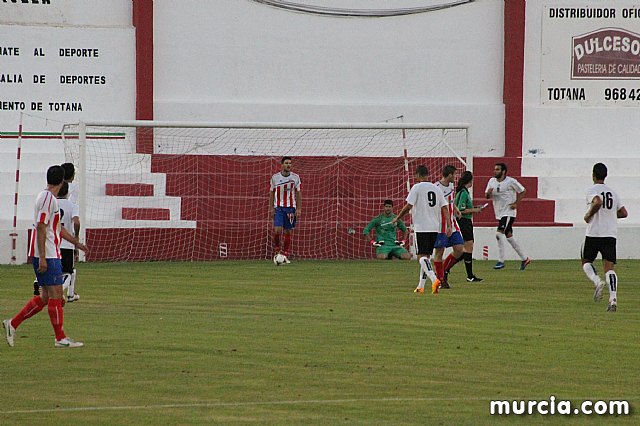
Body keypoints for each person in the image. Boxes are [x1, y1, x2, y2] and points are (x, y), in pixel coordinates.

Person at [4, 165, 88, 348]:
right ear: (62, 181)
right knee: (56, 294)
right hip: (48, 254)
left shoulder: (47, 197)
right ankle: (60, 338)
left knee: (44, 297)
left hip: (49, 253)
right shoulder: (48, 199)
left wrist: (76, 243)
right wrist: (42, 256)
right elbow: (41, 227)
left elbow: (54, 227)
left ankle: (13, 324)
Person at [392, 165, 451, 294]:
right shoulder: (436, 189)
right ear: (427, 174)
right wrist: (449, 225)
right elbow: (445, 208)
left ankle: (434, 279)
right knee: (426, 257)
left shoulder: (417, 187)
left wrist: (398, 217)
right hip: (434, 227)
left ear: (418, 175)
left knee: (421, 258)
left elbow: (409, 205)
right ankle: (420, 286)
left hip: (421, 227)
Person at [582, 163, 627, 312]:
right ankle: (613, 299)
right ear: (605, 175)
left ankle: (597, 281)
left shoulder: (592, 190)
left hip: (594, 232)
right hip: (610, 233)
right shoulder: (613, 193)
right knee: (609, 267)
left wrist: (589, 215)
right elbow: (623, 213)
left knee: (586, 260)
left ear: (593, 175)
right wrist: (610, 215)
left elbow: (598, 202)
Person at [484, 162, 531, 270]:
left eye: (497, 169)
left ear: (503, 171)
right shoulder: (491, 181)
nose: (495, 171)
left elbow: (523, 190)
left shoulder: (510, 181)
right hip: (499, 213)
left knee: (498, 234)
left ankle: (501, 261)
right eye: (494, 169)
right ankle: (525, 259)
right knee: (509, 237)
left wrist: (516, 203)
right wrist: (489, 193)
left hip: (508, 212)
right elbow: (486, 196)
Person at [434, 165, 465, 288]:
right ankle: (440, 279)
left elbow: (450, 202)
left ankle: (444, 271)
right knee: (439, 251)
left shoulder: (451, 186)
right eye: (455, 174)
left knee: (459, 249)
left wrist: (456, 209)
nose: (455, 177)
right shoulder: (436, 187)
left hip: (452, 224)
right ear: (450, 175)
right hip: (440, 225)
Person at [269, 156, 301, 263]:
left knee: (288, 231)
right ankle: (277, 251)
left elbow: (298, 193)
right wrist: (271, 208)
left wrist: (299, 208)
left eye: (290, 163)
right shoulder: (275, 177)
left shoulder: (295, 177)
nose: (288, 165)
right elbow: (272, 192)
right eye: (286, 163)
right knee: (277, 229)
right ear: (282, 165)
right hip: (278, 208)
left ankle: (285, 255)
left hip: (291, 208)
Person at [454, 171, 485, 282]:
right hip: (464, 221)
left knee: (468, 247)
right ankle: (468, 275)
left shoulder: (463, 191)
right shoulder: (463, 193)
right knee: (468, 247)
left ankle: (469, 275)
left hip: (466, 221)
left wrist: (475, 207)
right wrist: (475, 210)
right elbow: (461, 210)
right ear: (470, 180)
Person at [57, 181, 81, 302]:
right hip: (67, 244)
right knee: (68, 272)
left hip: (53, 244)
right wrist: (76, 237)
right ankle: (60, 290)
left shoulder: (52, 204)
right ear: (67, 192)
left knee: (56, 271)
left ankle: (69, 294)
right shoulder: (71, 205)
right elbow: (76, 222)